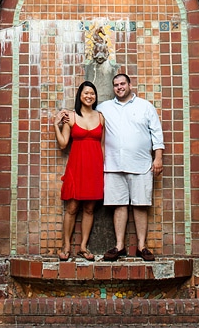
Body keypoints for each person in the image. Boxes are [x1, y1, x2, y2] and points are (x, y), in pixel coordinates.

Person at [97, 73, 164, 262]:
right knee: (119, 205)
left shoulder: (145, 106)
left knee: (140, 205)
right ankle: (120, 246)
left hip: (141, 164)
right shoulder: (104, 108)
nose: (119, 87)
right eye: (116, 85)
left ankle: (141, 246)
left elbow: (156, 133)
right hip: (113, 165)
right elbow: (87, 115)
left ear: (130, 85)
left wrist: (158, 158)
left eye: (122, 84)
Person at [53, 81, 105, 261]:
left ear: (95, 96)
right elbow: (63, 144)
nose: (89, 96)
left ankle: (83, 247)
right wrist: (55, 125)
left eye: (92, 93)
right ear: (80, 96)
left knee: (89, 209)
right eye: (86, 93)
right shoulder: (72, 117)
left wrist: (104, 169)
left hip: (95, 167)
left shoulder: (101, 117)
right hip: (77, 166)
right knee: (73, 207)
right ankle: (66, 246)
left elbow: (103, 145)